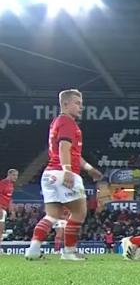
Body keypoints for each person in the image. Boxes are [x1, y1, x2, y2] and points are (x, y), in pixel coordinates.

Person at [25, 89, 103, 261]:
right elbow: (63, 148)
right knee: (79, 213)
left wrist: (89, 168)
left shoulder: (57, 122)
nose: (81, 107)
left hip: (50, 174)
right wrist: (67, 170)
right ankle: (69, 251)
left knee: (52, 215)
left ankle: (33, 249)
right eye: (77, 103)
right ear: (65, 104)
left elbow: (73, 152)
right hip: (64, 173)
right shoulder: (67, 122)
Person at [0, 169, 18, 250]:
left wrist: (12, 211)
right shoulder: (3, 183)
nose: (16, 177)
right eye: (14, 175)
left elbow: (9, 199)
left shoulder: (11, 185)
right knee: (1, 227)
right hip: (1, 208)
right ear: (9, 174)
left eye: (16, 175)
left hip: (3, 209)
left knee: (1, 228)